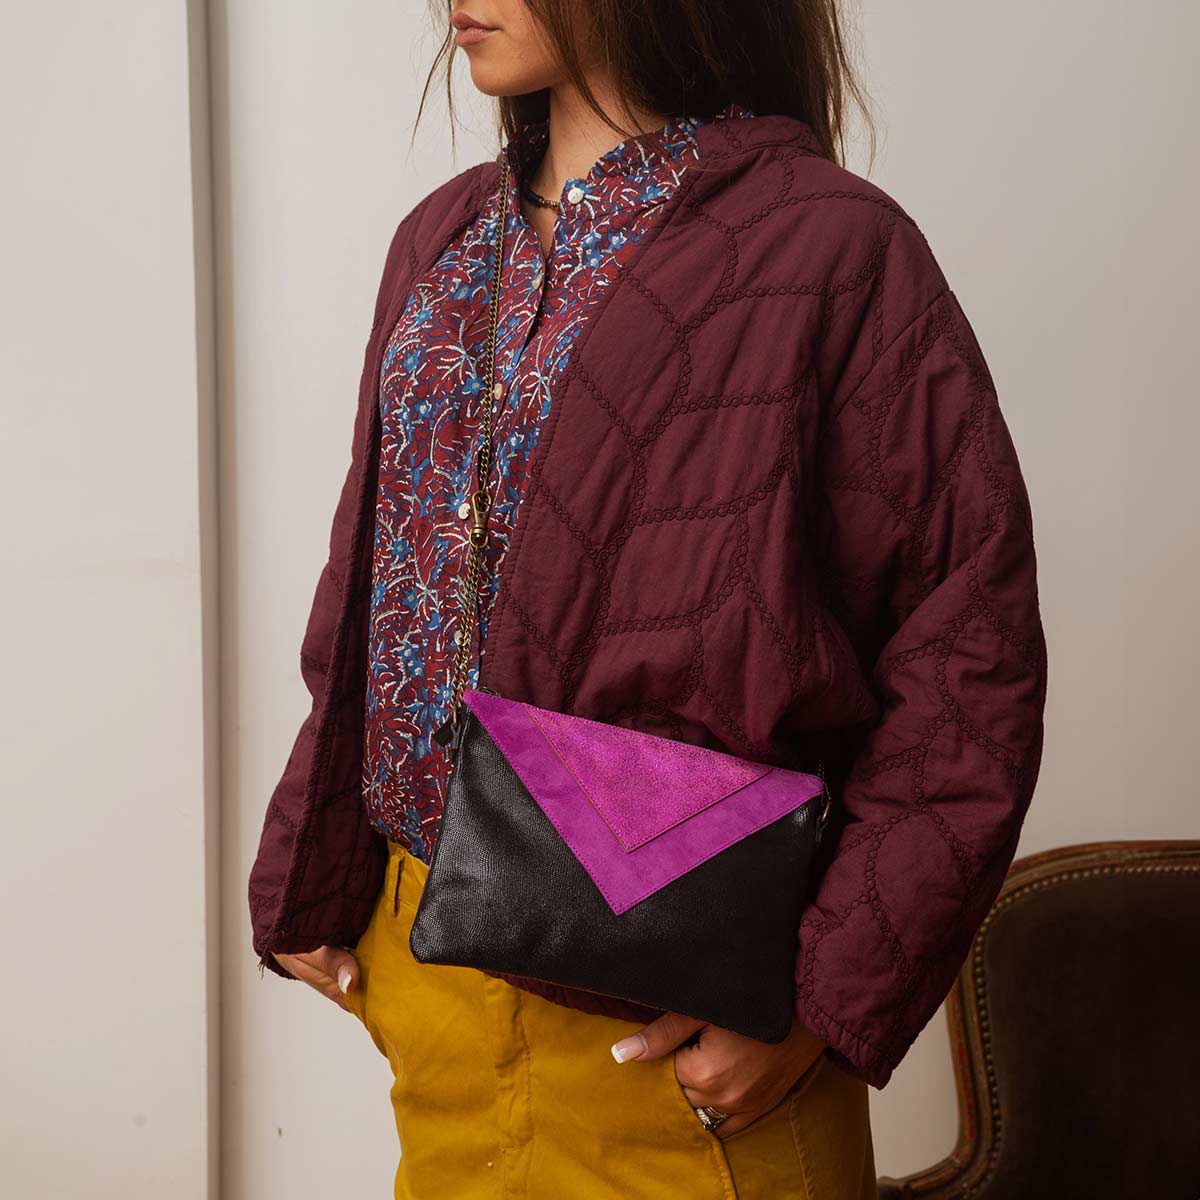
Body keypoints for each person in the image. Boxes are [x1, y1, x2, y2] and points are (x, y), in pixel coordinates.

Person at [247, 2, 1049, 1196]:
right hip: (429, 993)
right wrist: (313, 866)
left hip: (686, 1025)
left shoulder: (832, 246)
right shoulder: (443, 238)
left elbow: (967, 661)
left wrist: (819, 1003)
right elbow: (374, 579)